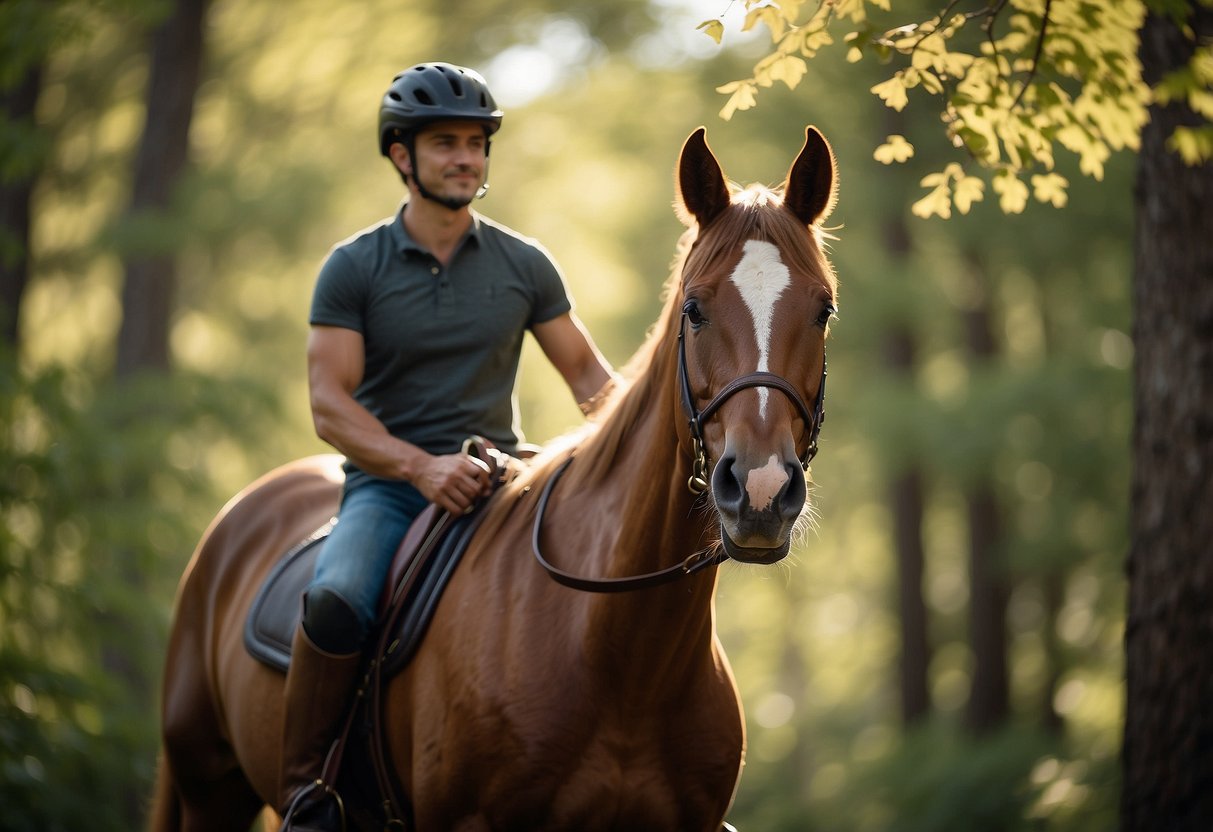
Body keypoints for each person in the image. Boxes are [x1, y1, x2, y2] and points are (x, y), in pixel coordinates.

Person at [278, 62, 615, 830]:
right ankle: (306, 789)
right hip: (391, 486)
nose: (465, 158)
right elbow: (329, 403)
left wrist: (632, 458)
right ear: (401, 156)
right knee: (336, 602)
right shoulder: (353, 267)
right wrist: (419, 467)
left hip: (504, 478)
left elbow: (590, 378)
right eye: (444, 144)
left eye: (476, 143)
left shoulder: (524, 263)